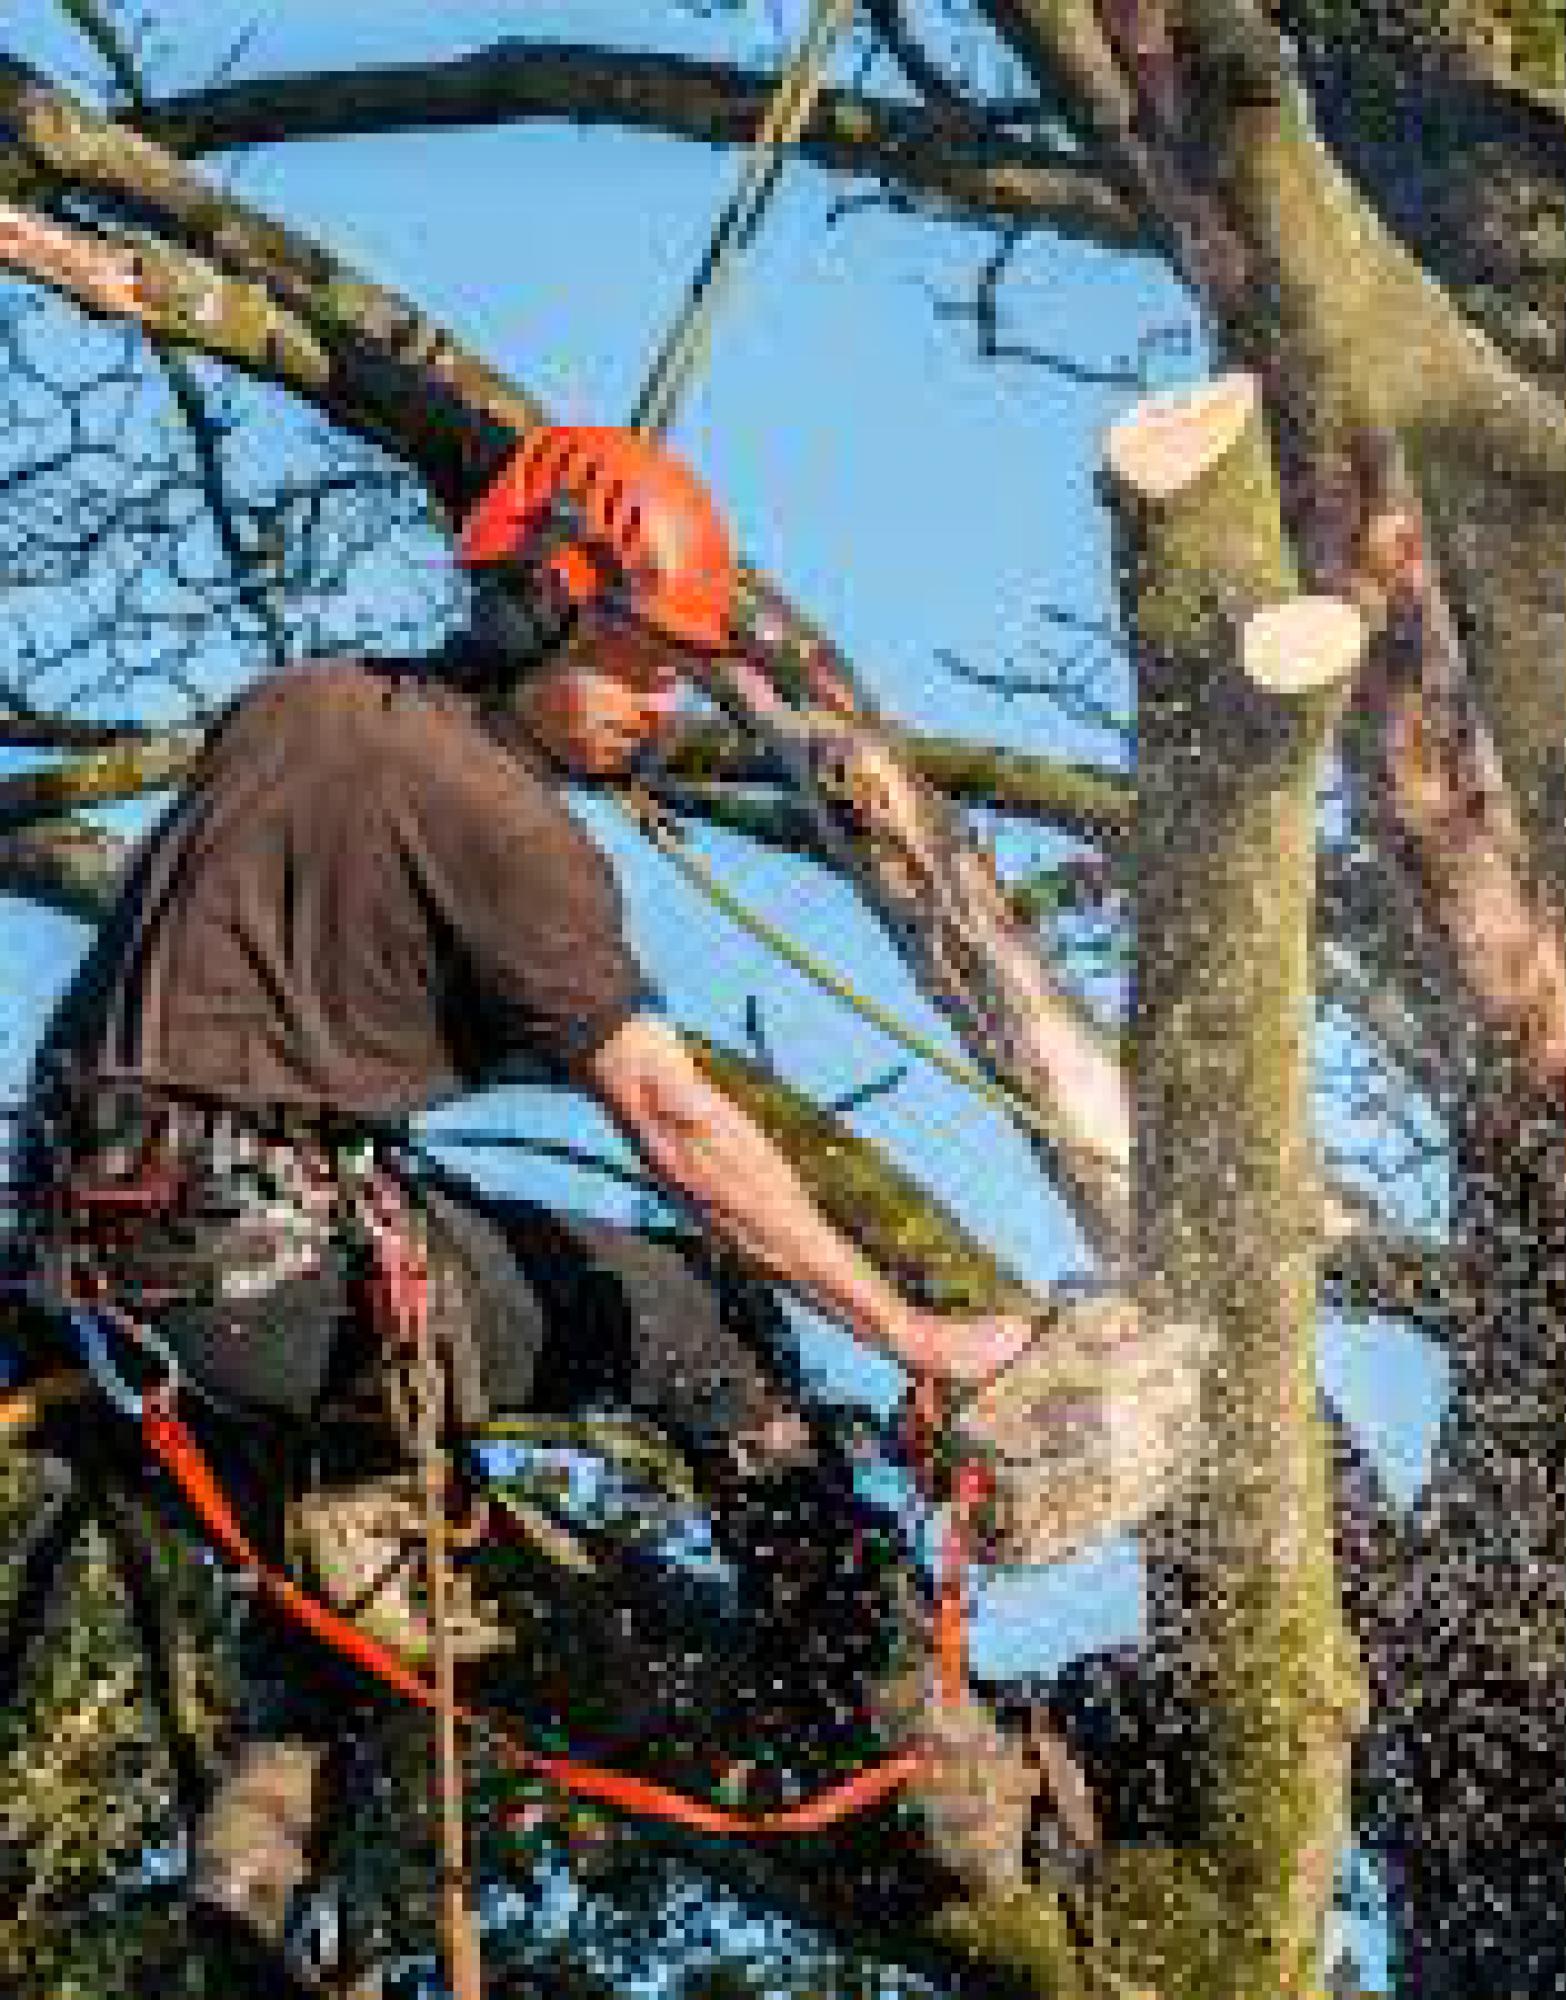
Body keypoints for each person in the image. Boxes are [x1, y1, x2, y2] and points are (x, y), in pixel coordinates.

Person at [16, 426, 1036, 1994]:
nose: (663, 702)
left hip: (93, 1239)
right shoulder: (511, 835)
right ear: (544, 609)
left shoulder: (298, 710)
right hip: (256, 1264)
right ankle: (892, 1718)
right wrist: (910, 1332)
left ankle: (264, 1832)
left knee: (360, 1495)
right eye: (638, 658)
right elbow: (676, 1119)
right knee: (699, 1312)